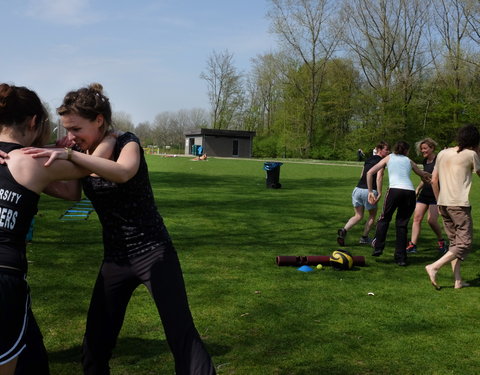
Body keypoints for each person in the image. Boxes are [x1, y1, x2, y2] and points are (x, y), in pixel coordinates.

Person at [24, 83, 216, 375]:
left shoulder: (128, 142)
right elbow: (72, 193)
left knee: (181, 335)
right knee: (94, 346)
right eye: (66, 130)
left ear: (99, 120)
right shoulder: (83, 150)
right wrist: (26, 176)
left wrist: (73, 156)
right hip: (115, 259)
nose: (70, 137)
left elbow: (124, 172)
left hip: (153, 252)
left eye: (75, 129)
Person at [0, 83, 88, 375]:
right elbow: (91, 169)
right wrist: (74, 149)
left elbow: (70, 194)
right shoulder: (35, 163)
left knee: (34, 360)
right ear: (34, 121)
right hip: (6, 278)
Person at [425, 124, 480, 290]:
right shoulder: (471, 154)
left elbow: (433, 180)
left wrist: (439, 202)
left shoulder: (442, 153)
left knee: (454, 243)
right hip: (459, 204)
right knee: (464, 244)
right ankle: (434, 266)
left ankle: (458, 281)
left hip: (443, 202)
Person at [367, 141, 430, 266]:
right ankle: (401, 258)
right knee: (402, 225)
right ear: (406, 151)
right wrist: (432, 176)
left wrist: (370, 191)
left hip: (394, 191)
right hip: (409, 193)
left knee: (384, 219)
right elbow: (422, 174)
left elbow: (370, 173)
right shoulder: (409, 161)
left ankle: (378, 247)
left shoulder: (388, 158)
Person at [337, 141, 390, 246]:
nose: (388, 152)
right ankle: (364, 237)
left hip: (357, 189)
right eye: (386, 150)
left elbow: (362, 174)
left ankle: (344, 230)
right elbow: (379, 177)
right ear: (380, 150)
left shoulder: (368, 159)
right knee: (372, 215)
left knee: (358, 215)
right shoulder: (382, 161)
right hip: (370, 191)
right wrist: (379, 192)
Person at [406, 138, 447, 255]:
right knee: (416, 218)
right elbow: (425, 178)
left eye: (425, 148)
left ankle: (441, 241)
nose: (423, 151)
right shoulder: (425, 161)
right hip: (424, 194)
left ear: (432, 148)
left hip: (436, 195)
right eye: (421, 149)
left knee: (431, 220)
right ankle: (412, 245)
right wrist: (418, 188)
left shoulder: (439, 160)